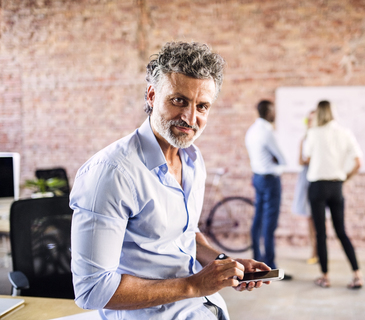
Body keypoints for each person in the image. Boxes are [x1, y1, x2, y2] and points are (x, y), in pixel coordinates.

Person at [69, 41, 271, 320]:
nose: (190, 118)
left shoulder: (192, 159)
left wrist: (224, 264)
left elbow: (183, 234)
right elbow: (91, 290)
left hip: (204, 310)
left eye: (202, 106)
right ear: (152, 95)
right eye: (179, 100)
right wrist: (194, 285)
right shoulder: (111, 173)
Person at [303, 100, 364, 289]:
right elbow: (358, 162)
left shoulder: (313, 133)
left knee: (321, 233)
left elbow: (306, 157)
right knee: (341, 232)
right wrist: (344, 178)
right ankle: (357, 275)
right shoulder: (345, 133)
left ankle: (325, 277)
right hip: (337, 186)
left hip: (317, 187)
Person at [245, 100, 291, 280]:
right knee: (269, 223)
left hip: (256, 177)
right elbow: (283, 159)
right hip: (270, 179)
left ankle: (256, 259)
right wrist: (275, 162)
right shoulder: (267, 133)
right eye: (273, 110)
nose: (275, 114)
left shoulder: (251, 130)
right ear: (268, 111)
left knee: (258, 219)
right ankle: (270, 267)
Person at [291, 110, 318, 265]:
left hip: (317, 178)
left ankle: (319, 251)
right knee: (309, 218)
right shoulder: (304, 139)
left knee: (319, 219)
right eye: (309, 120)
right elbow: (300, 161)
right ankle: (313, 251)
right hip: (306, 178)